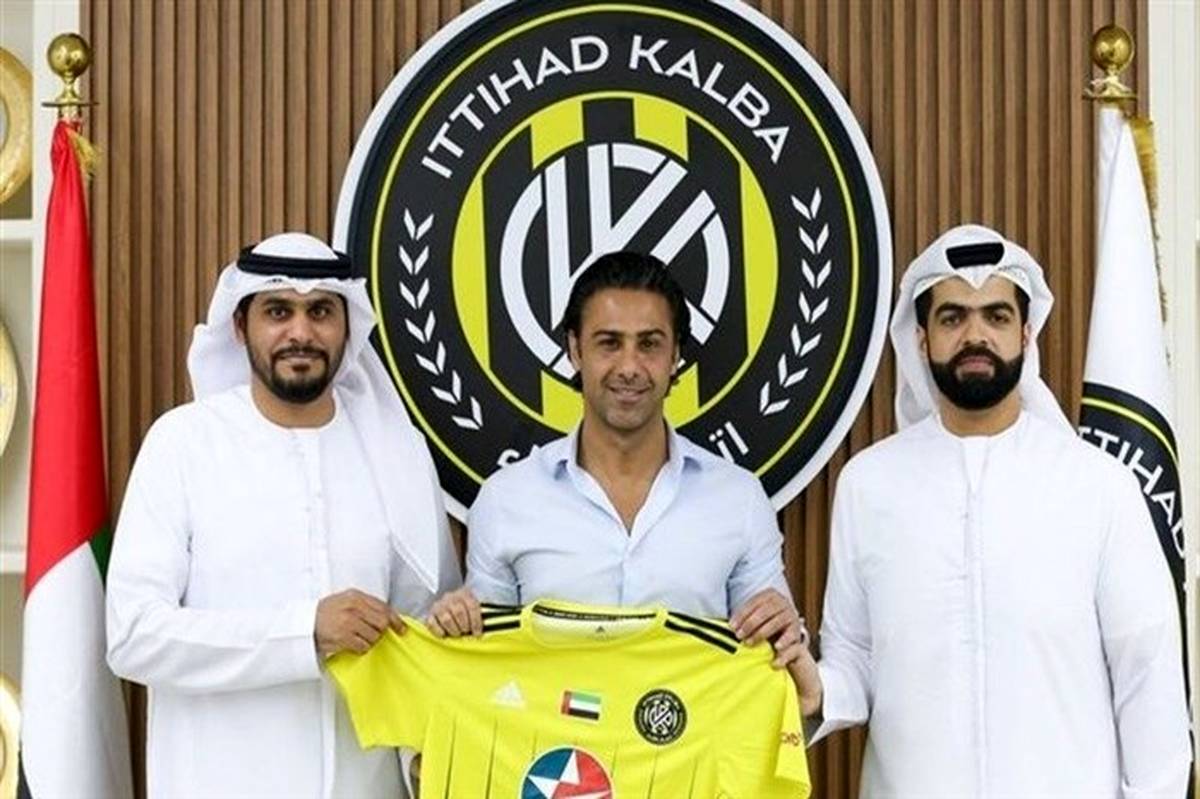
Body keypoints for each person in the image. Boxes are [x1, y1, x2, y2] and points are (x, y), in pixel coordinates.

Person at [789, 224, 1190, 795]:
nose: (975, 335)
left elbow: (1147, 674)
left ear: (1025, 334)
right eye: (952, 317)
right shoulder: (869, 486)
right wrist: (817, 689)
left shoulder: (1098, 485)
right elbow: (856, 657)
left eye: (996, 316)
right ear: (921, 339)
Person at [105, 233, 461, 798]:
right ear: (240, 326)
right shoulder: (183, 445)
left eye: (320, 311)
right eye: (278, 312)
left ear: (347, 326)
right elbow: (134, 636)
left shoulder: (397, 452)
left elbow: (425, 636)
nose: (301, 333)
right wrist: (304, 632)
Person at [428, 251, 807, 676]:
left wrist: (783, 628)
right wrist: (456, 625)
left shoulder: (738, 499)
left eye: (649, 344)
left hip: (698, 724)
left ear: (675, 355)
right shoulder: (506, 500)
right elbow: (487, 665)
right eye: (609, 343)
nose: (629, 367)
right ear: (575, 350)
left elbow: (776, 653)